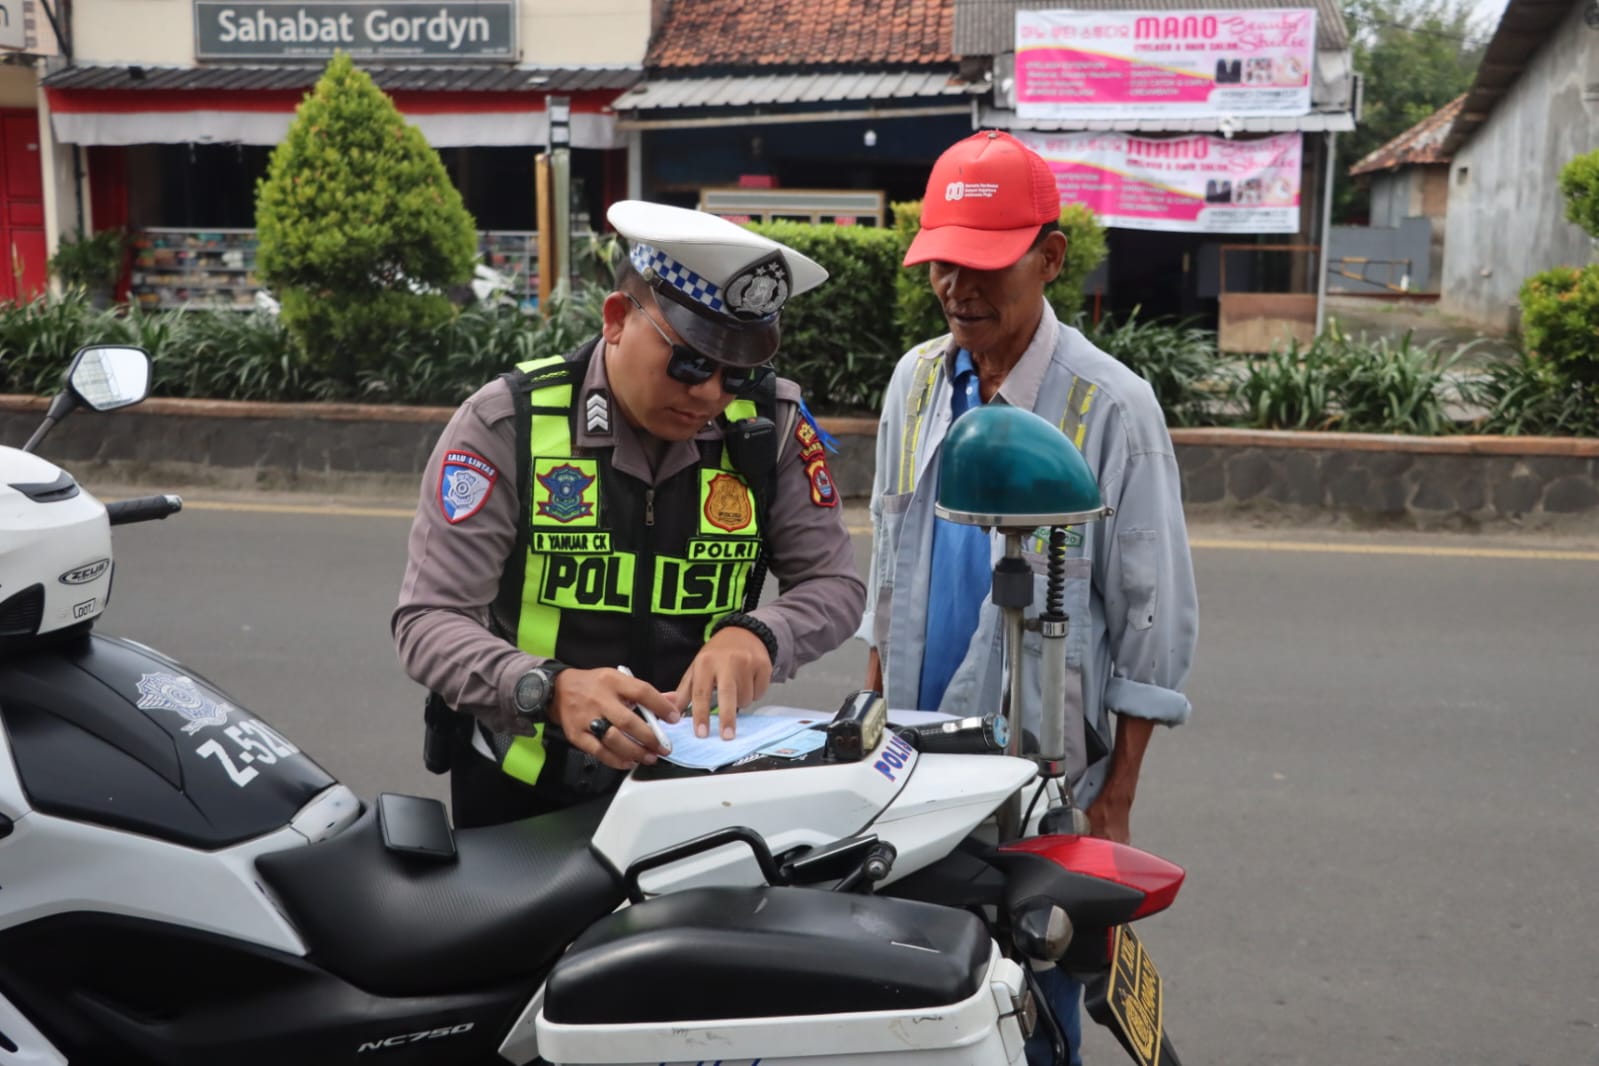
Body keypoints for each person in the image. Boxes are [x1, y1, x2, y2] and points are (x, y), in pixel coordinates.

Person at [860, 131, 1199, 1064]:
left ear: (1049, 258)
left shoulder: (1111, 405)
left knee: (1034, 1008)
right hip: (911, 761)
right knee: (922, 997)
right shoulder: (914, 382)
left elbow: (1151, 614)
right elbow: (889, 557)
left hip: (1039, 770)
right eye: (942, 264)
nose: (956, 288)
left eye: (983, 264)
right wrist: (871, 721)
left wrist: (1116, 798)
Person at [395, 200, 865, 829]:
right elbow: (429, 620)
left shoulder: (769, 427)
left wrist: (760, 633)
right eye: (690, 361)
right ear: (617, 318)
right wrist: (545, 687)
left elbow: (834, 584)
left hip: (698, 791)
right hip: (524, 797)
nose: (710, 393)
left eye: (738, 371)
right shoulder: (508, 425)